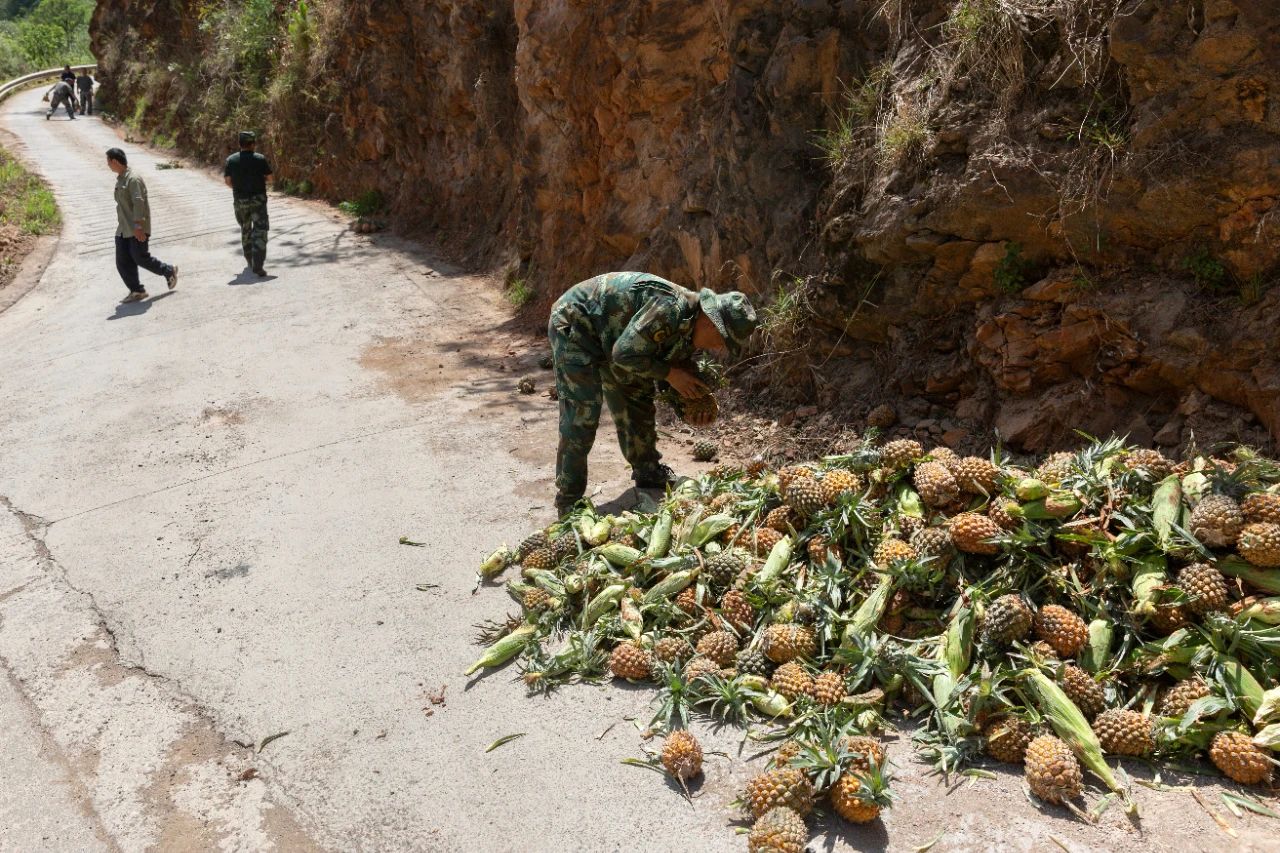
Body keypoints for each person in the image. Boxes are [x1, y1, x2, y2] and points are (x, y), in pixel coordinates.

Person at [548, 272, 758, 515]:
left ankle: (647, 471)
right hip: (577, 323)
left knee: (637, 397)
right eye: (723, 340)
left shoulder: (690, 331)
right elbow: (624, 354)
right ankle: (568, 500)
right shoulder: (669, 308)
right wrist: (671, 374)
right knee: (582, 415)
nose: (719, 348)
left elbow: (660, 377)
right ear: (711, 322)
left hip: (617, 340)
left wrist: (689, 408)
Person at [107, 148, 178, 303]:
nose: (108, 165)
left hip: (136, 227)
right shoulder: (121, 179)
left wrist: (138, 226)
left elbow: (138, 202)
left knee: (140, 258)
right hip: (123, 229)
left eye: (108, 162)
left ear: (114, 161)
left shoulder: (133, 179)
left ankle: (168, 270)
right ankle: (137, 290)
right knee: (122, 261)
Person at [222, 131, 273, 276]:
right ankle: (258, 264)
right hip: (258, 201)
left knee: (245, 228)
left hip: (240, 201)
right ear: (253, 144)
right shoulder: (260, 159)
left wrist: (238, 189)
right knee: (260, 230)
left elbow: (227, 181)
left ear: (240, 144)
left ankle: (249, 259)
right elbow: (270, 179)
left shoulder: (231, 160)